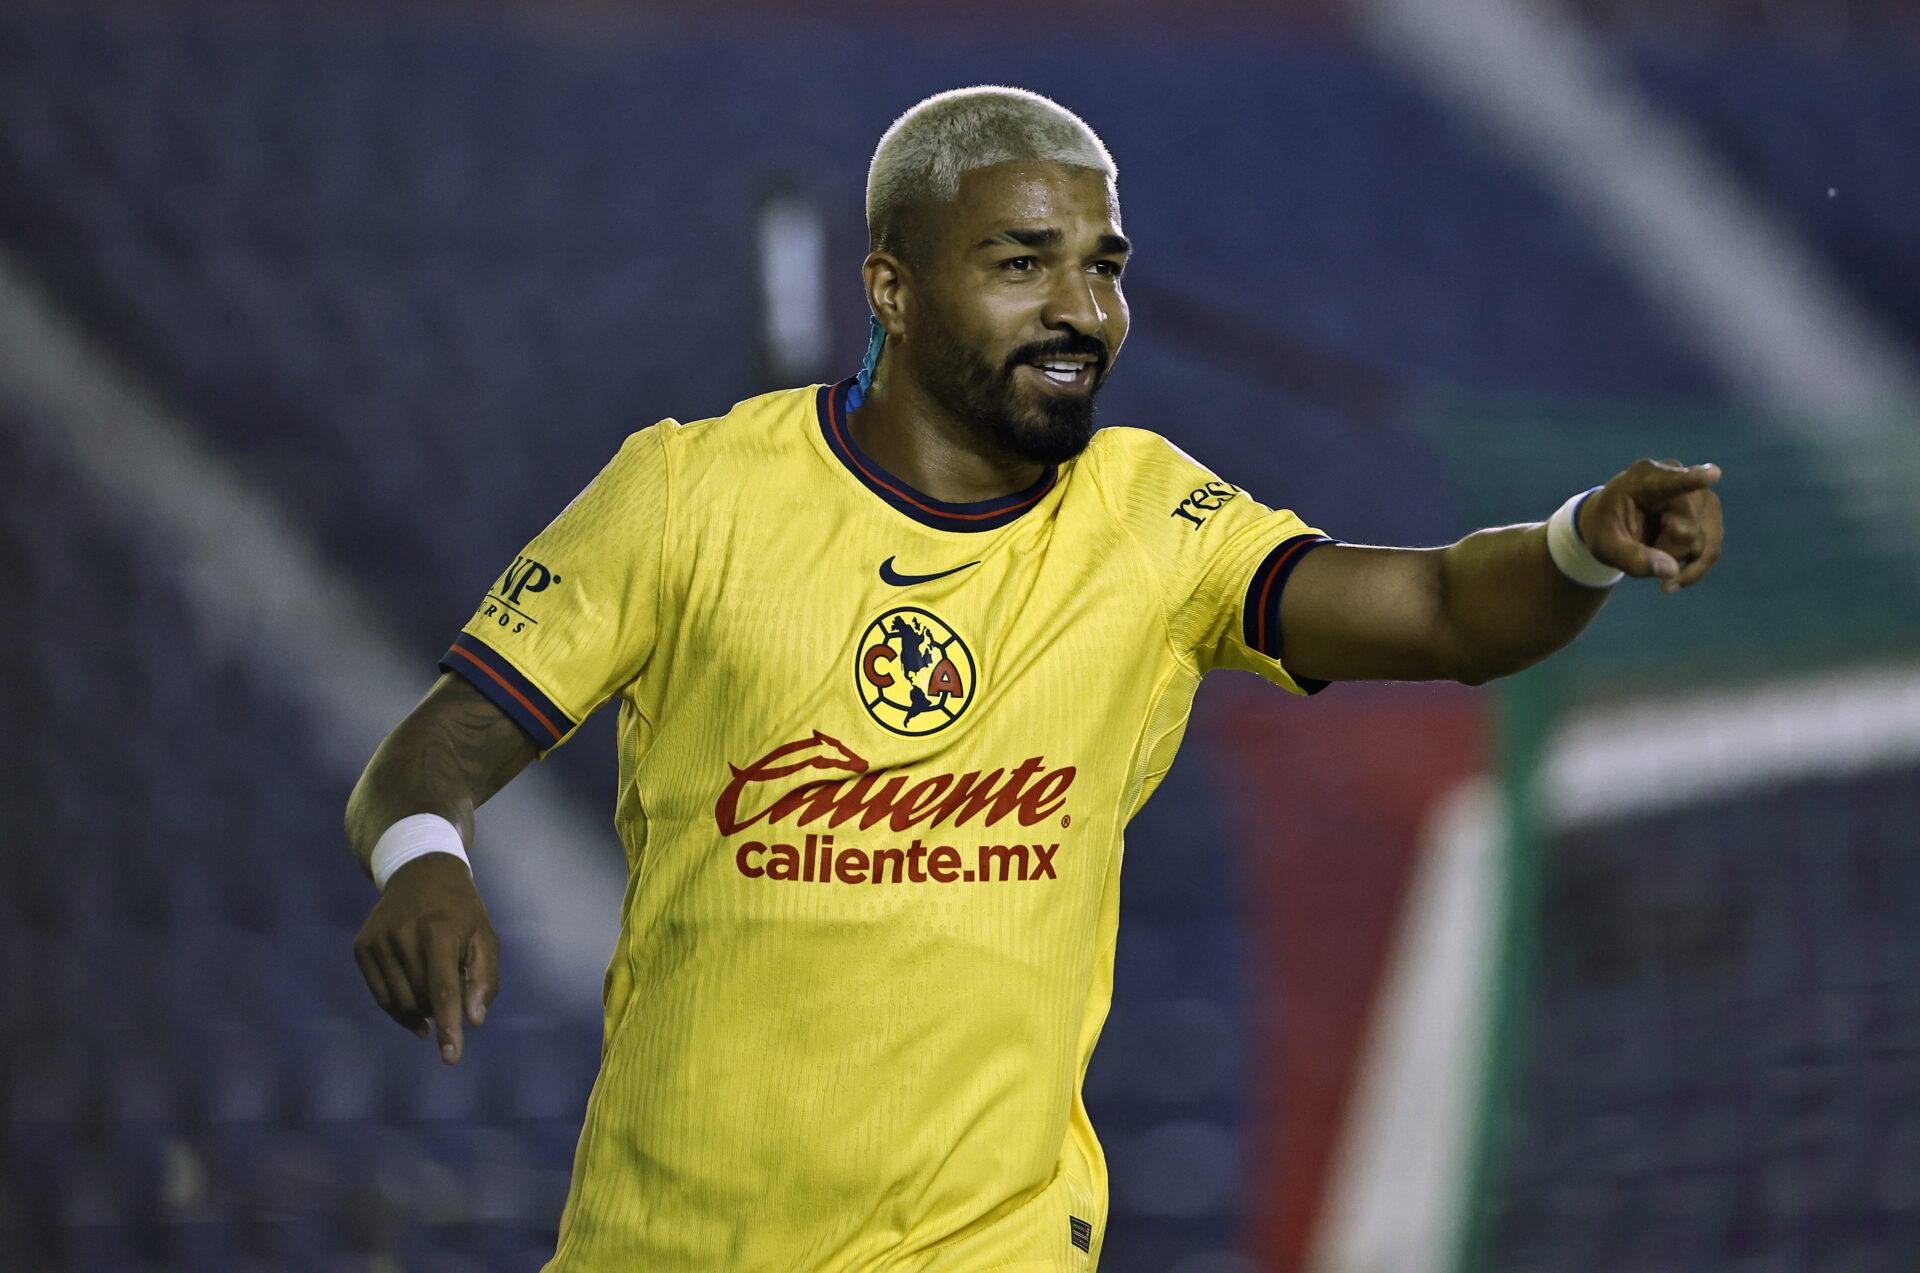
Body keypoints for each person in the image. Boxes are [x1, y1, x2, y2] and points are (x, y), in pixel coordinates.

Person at [345, 85, 1723, 1271]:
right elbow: (437, 745)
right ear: (891, 285)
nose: (1082, 308)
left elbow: (1434, 609)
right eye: (1024, 263)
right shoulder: (688, 495)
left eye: (1104, 265)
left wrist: (1576, 544)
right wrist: (423, 855)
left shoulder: (1152, 521)